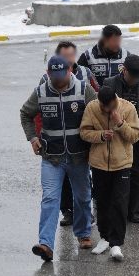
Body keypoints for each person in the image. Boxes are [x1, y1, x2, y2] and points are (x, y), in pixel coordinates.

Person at [20, 55, 97, 262]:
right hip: (51, 157)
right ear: (48, 73)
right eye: (53, 76)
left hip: (79, 156)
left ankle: (83, 233)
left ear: (69, 71)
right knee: (50, 199)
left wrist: (94, 139)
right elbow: (25, 113)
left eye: (61, 75)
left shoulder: (83, 89)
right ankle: (46, 244)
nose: (57, 80)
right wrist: (33, 138)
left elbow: (98, 112)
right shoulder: (41, 91)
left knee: (82, 197)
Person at [40, 41, 99, 227]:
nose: (68, 59)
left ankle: (85, 217)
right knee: (61, 184)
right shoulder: (45, 80)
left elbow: (96, 101)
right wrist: (37, 136)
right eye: (64, 55)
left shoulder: (85, 74)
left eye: (71, 55)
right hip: (56, 144)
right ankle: (67, 212)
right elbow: (38, 110)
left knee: (83, 183)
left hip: (80, 140)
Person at [80, 86, 139, 261]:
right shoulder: (92, 107)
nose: (107, 111)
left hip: (122, 163)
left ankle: (116, 244)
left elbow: (135, 136)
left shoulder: (128, 108)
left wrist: (120, 123)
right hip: (99, 164)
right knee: (103, 202)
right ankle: (105, 237)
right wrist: (99, 135)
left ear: (115, 99)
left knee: (120, 203)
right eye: (104, 107)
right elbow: (84, 132)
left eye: (111, 107)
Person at [104, 54, 139, 224]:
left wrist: (134, 124)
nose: (134, 81)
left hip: (137, 137)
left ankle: (134, 212)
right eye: (131, 76)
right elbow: (102, 106)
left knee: (136, 175)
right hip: (116, 136)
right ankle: (115, 209)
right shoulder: (110, 83)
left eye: (137, 77)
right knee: (116, 175)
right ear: (124, 70)